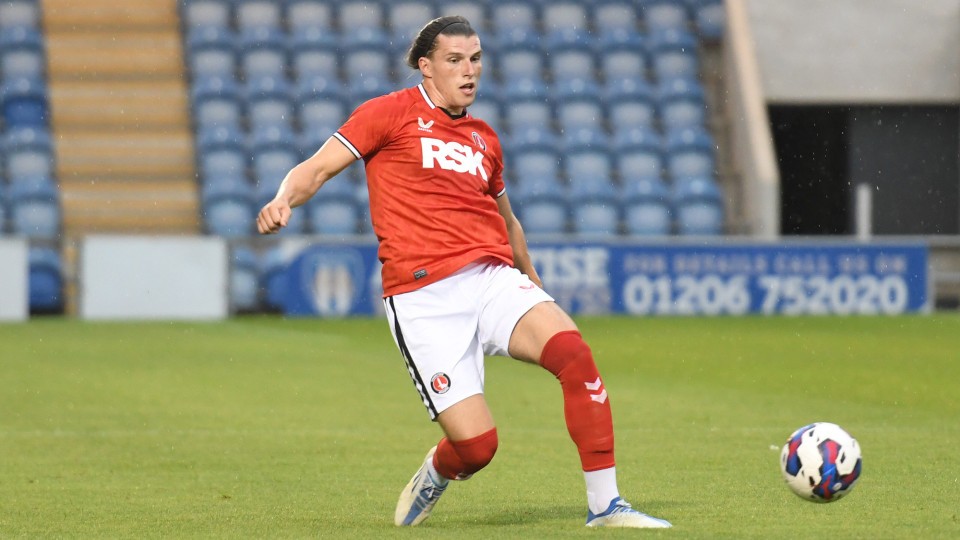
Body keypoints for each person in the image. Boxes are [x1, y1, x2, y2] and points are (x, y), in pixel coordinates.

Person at [256, 15, 671, 530]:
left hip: (491, 277)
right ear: (426, 67)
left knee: (573, 353)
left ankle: (606, 506)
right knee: (477, 448)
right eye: (455, 60)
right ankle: (437, 469)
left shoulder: (483, 139)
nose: (469, 70)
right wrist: (282, 200)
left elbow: (507, 219)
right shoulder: (387, 114)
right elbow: (315, 168)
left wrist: (532, 281)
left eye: (475, 59)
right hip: (422, 297)